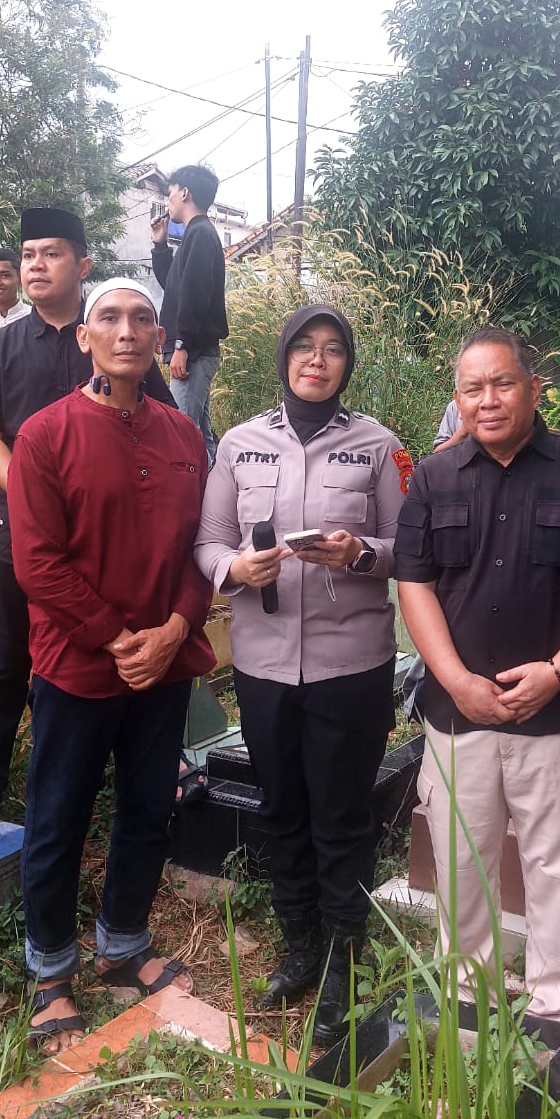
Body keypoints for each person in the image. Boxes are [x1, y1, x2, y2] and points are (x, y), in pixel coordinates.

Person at [7, 279, 215, 1050]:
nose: (126, 331)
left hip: (164, 663)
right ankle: (51, 972)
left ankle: (124, 942)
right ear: (84, 337)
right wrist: (118, 638)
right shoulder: (45, 435)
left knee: (148, 807)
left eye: (141, 319)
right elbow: (38, 562)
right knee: (58, 815)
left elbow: (202, 545)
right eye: (110, 318)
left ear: (159, 338)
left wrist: (174, 629)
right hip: (77, 664)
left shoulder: (184, 436)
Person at [194, 305, 412, 1043]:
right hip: (262, 665)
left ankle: (345, 958)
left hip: (350, 665)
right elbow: (208, 540)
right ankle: (300, 944)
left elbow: (408, 548)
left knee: (342, 813)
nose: (316, 360)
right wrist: (234, 569)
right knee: (281, 806)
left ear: (348, 363)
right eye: (304, 347)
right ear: (284, 357)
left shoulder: (379, 446)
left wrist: (359, 554)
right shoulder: (240, 444)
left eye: (333, 349)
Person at [395, 328, 560, 1025]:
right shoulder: (434, 478)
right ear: (456, 399)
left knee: (557, 866)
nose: (487, 400)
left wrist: (559, 671)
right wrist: (454, 679)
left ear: (533, 389)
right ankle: (467, 1001)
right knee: (461, 861)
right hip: (458, 714)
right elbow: (414, 584)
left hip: (554, 711)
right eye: (472, 388)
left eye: (502, 383)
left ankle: (557, 1013)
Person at [0, 208, 175, 831]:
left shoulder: (115, 335)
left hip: (108, 535)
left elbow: (162, 424)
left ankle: (134, 759)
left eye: (50, 253)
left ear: (82, 265)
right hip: (22, 531)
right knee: (6, 653)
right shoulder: (0, 348)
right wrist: (34, 495)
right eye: (28, 254)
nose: (35, 265)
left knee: (119, 635)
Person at [151, 163, 227, 468]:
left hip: (193, 351)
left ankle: (198, 491)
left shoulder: (200, 234)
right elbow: (175, 286)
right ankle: (216, 487)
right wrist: (160, 245)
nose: (168, 200)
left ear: (184, 193)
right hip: (195, 350)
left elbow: (196, 293)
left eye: (169, 192)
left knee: (183, 431)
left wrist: (182, 344)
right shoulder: (196, 234)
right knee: (200, 434)